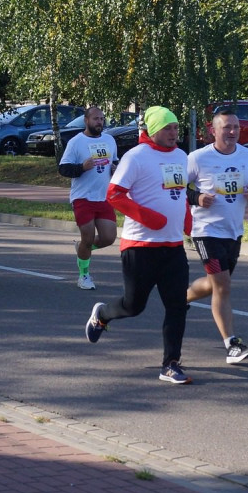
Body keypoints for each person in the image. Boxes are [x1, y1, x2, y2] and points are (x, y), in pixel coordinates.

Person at [84, 106, 193, 385]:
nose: (173, 133)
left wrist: (190, 225)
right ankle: (102, 314)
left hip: (172, 247)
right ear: (152, 131)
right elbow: (114, 195)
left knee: (177, 305)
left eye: (176, 128)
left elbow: (180, 196)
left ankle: (171, 364)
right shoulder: (136, 157)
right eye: (167, 128)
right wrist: (149, 218)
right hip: (140, 246)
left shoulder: (182, 156)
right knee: (134, 306)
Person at [185, 106, 248, 364]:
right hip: (206, 232)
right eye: (226, 127)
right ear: (213, 131)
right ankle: (231, 344)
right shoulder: (198, 158)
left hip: (234, 231)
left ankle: (180, 299)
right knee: (222, 285)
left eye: (236, 127)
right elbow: (176, 187)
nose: (232, 132)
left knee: (214, 284)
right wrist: (196, 197)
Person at [59, 106, 118, 290]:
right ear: (86, 120)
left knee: (109, 238)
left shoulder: (109, 140)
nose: (99, 122)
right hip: (83, 197)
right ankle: (83, 275)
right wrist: (81, 168)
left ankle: (83, 249)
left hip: (103, 196)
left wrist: (115, 167)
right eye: (96, 119)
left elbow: (114, 161)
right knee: (88, 236)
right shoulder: (76, 142)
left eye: (101, 119)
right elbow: (63, 168)